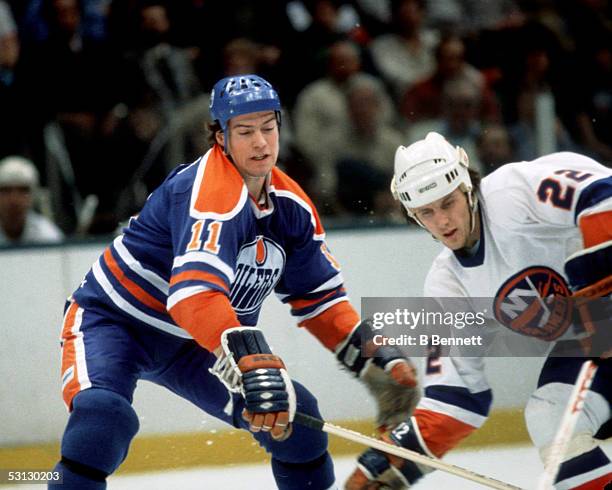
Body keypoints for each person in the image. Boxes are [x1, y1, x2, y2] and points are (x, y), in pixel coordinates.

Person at [48, 74, 418, 490]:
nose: (261, 142)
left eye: (268, 127)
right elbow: (193, 298)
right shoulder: (208, 192)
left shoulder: (291, 206)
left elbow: (320, 300)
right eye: (245, 131)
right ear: (220, 137)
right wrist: (250, 359)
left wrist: (372, 355)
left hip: (196, 343)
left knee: (298, 426)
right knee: (103, 420)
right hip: (115, 323)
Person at [345, 132, 611, 489]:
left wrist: (596, 275)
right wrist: (395, 458)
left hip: (602, 327)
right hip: (598, 339)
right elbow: (456, 393)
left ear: (467, 188)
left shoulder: (512, 192)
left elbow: (601, 193)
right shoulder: (446, 287)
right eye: (427, 212)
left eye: (447, 203)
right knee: (553, 415)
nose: (442, 221)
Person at [0, 156, 64, 245]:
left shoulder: (47, 235)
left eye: (23, 190)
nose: (14, 199)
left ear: (34, 194)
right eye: (6, 190)